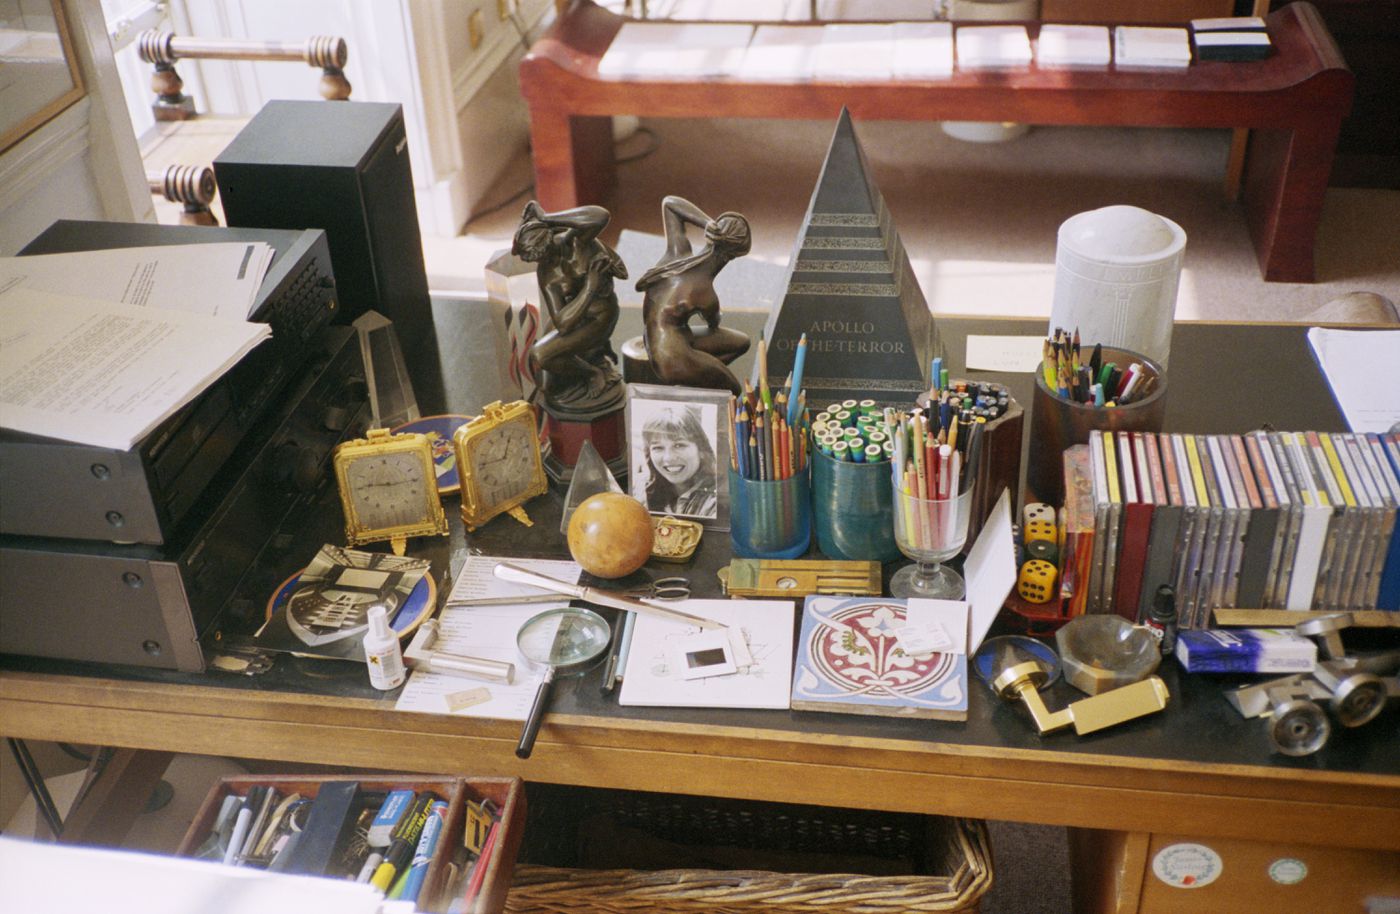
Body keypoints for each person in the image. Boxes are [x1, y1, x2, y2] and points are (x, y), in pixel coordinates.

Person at [513, 201, 628, 410]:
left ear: (548, 243)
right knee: (547, 384)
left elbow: (600, 215)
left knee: (541, 354)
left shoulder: (576, 242)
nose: (540, 262)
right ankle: (590, 360)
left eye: (542, 255)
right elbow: (562, 323)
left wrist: (546, 217)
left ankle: (594, 373)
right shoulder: (546, 273)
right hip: (575, 319)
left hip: (599, 317)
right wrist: (590, 287)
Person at [636, 196, 751, 395]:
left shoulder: (676, 255)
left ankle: (699, 378)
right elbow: (713, 324)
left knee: (742, 342)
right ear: (731, 256)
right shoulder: (706, 294)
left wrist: (706, 222)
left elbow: (670, 204)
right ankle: (699, 381)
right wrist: (714, 314)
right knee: (734, 389)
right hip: (670, 357)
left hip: (664, 338)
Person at [640, 405, 718, 518]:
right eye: (658, 448)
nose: (668, 458)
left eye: (679, 445)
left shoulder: (717, 501)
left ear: (701, 449)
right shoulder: (640, 490)